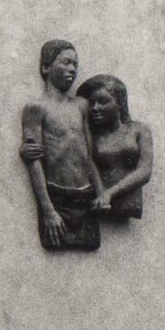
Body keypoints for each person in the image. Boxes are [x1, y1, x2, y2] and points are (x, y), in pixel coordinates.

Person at [20, 39, 102, 251]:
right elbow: (35, 161)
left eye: (75, 64)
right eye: (66, 62)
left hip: (85, 197)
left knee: (90, 243)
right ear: (46, 67)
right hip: (57, 198)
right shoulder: (36, 108)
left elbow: (89, 155)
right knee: (55, 241)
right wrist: (48, 210)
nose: (73, 69)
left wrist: (101, 193)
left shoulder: (81, 106)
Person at [79, 74, 153, 221]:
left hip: (128, 203)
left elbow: (145, 170)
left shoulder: (139, 130)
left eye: (102, 101)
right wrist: (101, 194)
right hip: (102, 203)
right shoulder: (91, 136)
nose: (95, 108)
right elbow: (89, 162)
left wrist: (109, 194)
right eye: (91, 103)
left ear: (119, 103)